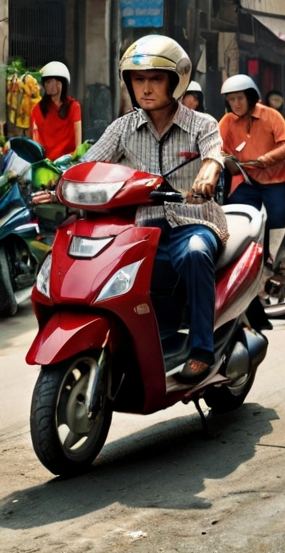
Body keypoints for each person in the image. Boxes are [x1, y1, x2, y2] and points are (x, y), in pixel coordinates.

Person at [36, 35, 228, 384]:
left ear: (175, 81)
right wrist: (58, 187)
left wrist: (207, 175)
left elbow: (214, 155)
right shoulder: (123, 127)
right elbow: (89, 164)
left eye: (155, 79)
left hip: (191, 222)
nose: (146, 88)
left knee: (196, 254)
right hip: (140, 227)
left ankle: (201, 349)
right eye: (139, 80)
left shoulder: (203, 124)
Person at [219, 75, 285, 264]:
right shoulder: (228, 120)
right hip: (246, 181)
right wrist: (226, 160)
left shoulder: (271, 115)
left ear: (251, 97)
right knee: (237, 217)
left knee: (277, 221)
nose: (236, 104)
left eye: (240, 98)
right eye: (231, 99)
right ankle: (241, 261)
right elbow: (216, 146)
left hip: (275, 180)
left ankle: (274, 260)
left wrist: (266, 159)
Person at [29, 61, 82, 161]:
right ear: (44, 85)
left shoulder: (74, 106)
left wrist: (76, 159)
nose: (53, 85)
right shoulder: (37, 110)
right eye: (49, 82)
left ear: (63, 84)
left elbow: (78, 143)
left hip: (68, 162)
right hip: (46, 164)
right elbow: (35, 142)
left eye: (57, 81)